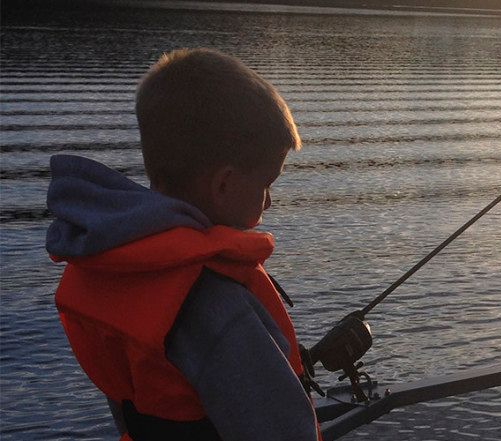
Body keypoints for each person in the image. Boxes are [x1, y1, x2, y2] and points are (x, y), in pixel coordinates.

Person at [46, 48, 321, 440]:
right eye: (267, 184)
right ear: (224, 184)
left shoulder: (110, 264)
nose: (269, 201)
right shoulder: (216, 305)